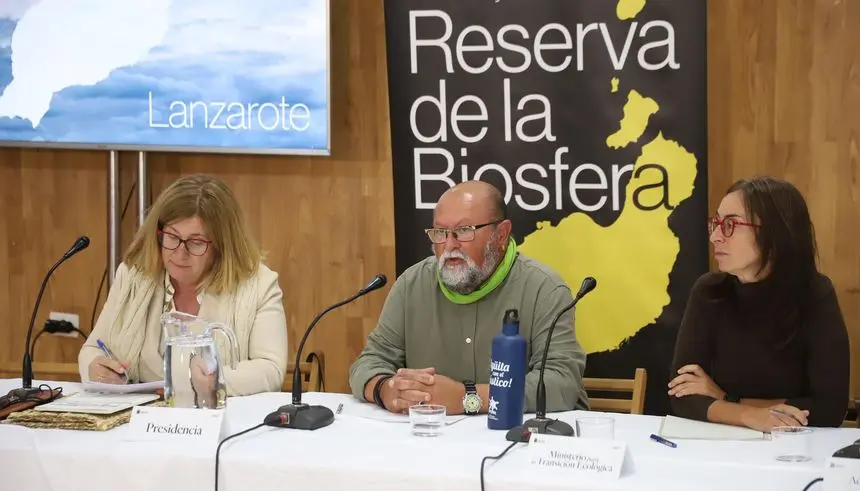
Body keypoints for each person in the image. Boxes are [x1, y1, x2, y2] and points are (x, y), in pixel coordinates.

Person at [348, 180, 588, 415]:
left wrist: (468, 398)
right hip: (434, 442)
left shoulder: (544, 289)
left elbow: (561, 382)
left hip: (521, 441)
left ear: (502, 234)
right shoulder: (411, 285)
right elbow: (369, 362)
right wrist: (387, 390)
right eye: (440, 233)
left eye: (464, 231)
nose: (450, 245)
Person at [78, 174, 288, 399]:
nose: (179, 253)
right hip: (140, 420)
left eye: (196, 242)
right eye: (171, 237)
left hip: (217, 419)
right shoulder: (132, 277)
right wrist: (95, 368)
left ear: (222, 245)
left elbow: (270, 368)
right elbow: (93, 350)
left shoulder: (258, 286)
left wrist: (212, 380)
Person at [668, 176, 849, 430]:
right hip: (722, 446)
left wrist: (726, 399)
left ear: (775, 232)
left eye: (730, 224)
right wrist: (750, 416)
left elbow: (829, 408)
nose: (716, 237)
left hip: (794, 449)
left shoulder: (814, 294)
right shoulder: (709, 291)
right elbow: (682, 393)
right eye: (716, 223)